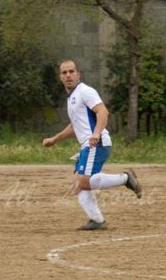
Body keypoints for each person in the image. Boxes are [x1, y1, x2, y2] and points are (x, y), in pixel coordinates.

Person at [42, 59, 142, 230]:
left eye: (71, 71)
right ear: (60, 77)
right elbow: (75, 125)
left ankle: (126, 179)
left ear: (78, 74)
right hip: (87, 146)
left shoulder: (85, 91)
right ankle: (96, 220)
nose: (68, 75)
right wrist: (55, 139)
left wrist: (96, 133)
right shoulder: (72, 98)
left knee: (83, 182)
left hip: (97, 143)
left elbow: (103, 111)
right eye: (64, 73)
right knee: (79, 183)